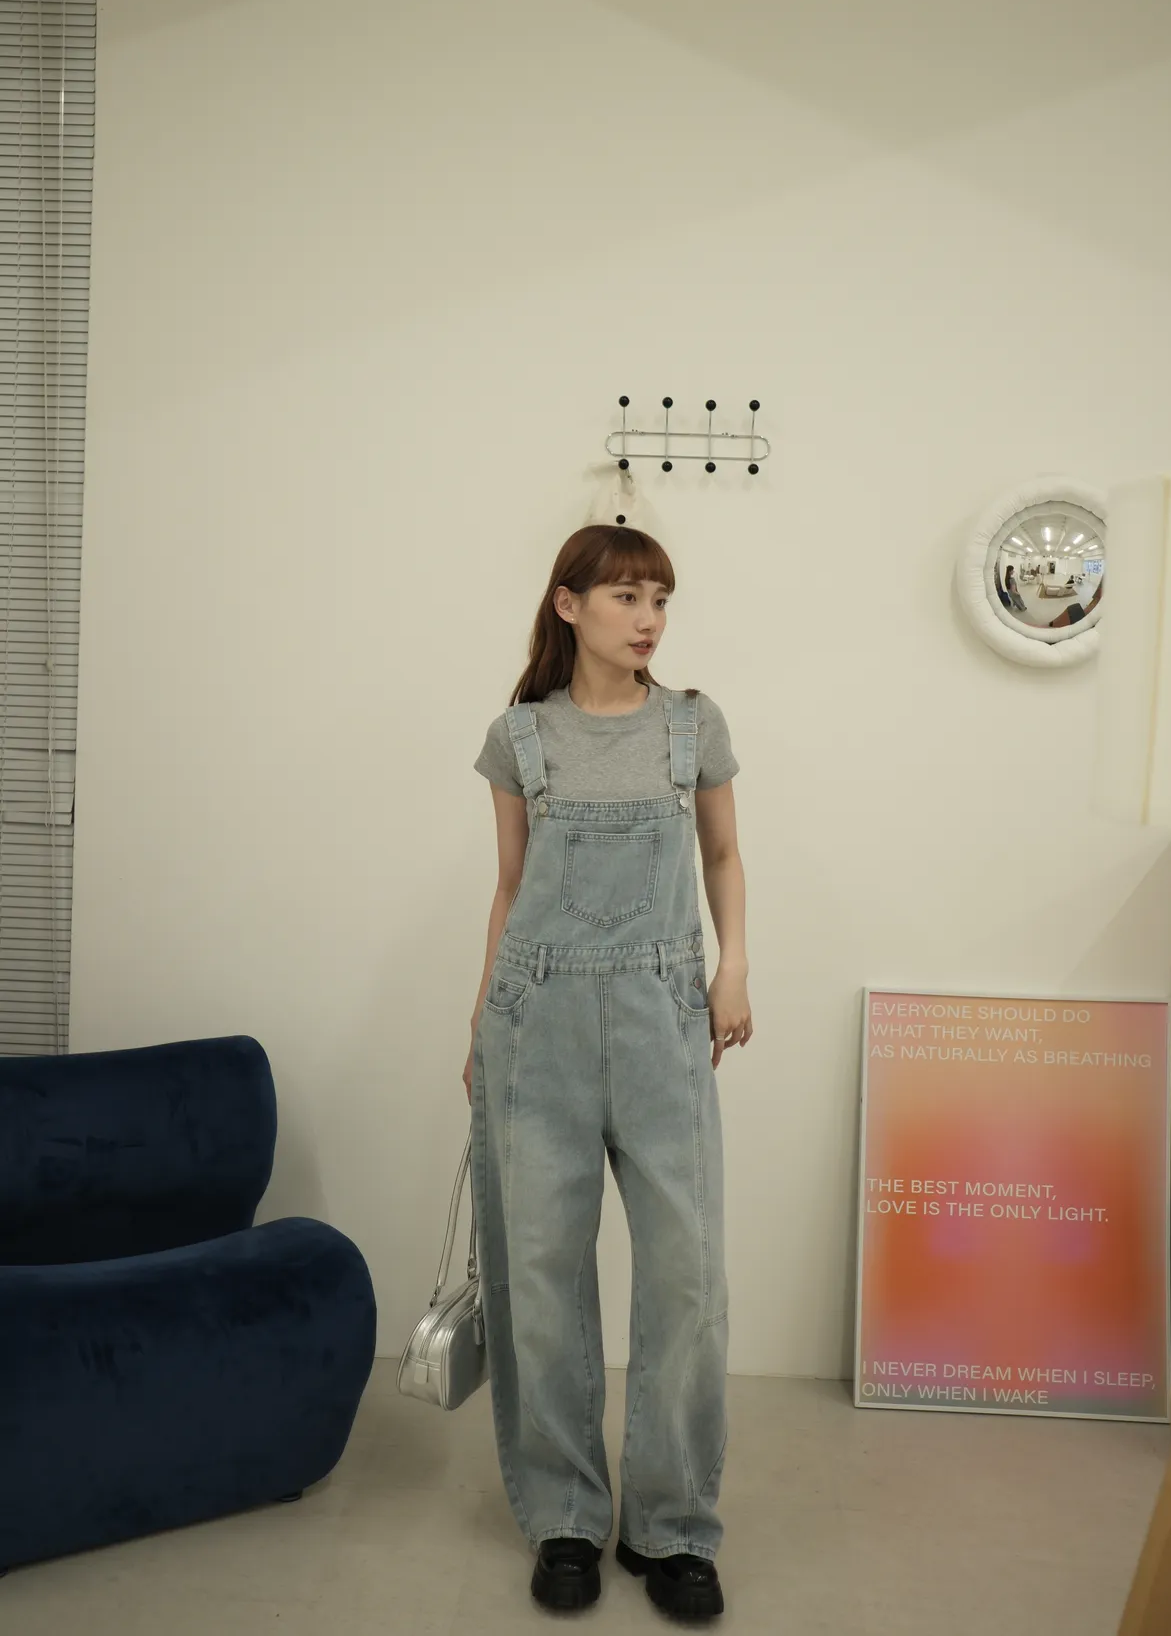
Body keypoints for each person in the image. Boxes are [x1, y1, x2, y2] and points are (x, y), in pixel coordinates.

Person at [467, 523, 752, 1623]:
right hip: (533, 1021)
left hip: (663, 1016)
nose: (649, 620)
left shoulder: (692, 725)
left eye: (661, 600)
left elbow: (722, 853)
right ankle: (567, 1519)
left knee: (688, 1281)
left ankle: (672, 1527)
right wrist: (480, 1022)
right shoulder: (519, 736)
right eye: (628, 597)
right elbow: (510, 887)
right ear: (569, 604)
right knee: (542, 1278)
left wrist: (733, 968)